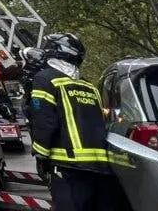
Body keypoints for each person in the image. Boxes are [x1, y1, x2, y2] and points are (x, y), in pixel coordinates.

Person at [28, 32, 119, 211]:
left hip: (67, 165)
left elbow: (45, 121)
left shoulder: (45, 79)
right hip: (98, 166)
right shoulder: (89, 86)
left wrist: (40, 155)